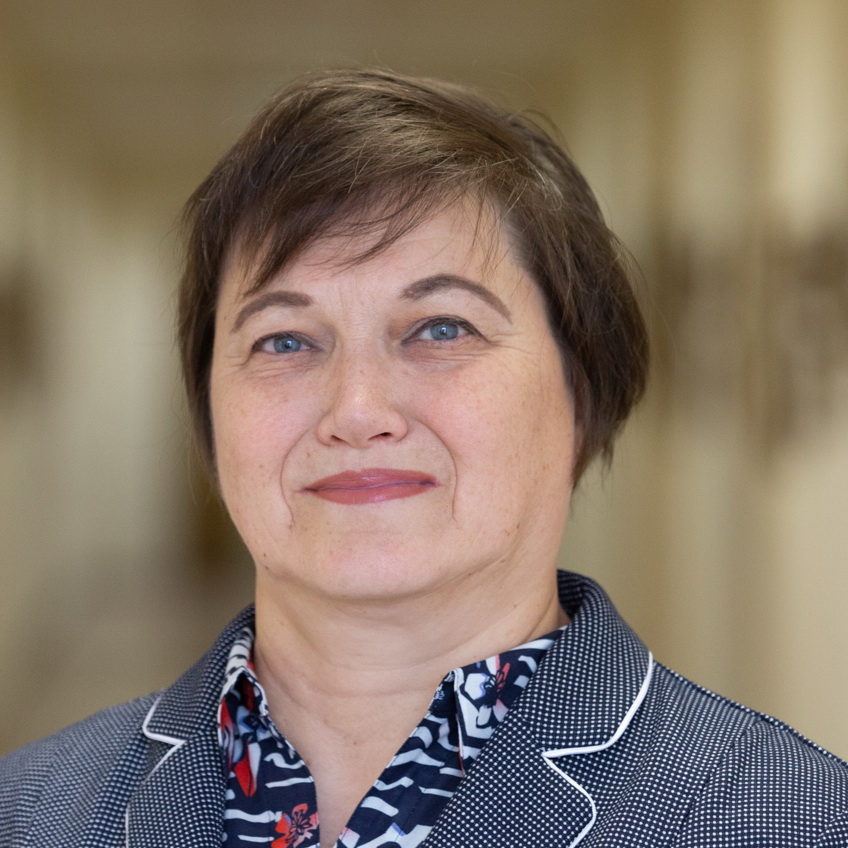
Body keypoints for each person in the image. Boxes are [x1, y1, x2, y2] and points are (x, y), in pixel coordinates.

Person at [1, 68, 847, 848]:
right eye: (285, 340)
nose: (356, 412)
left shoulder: (791, 819)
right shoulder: (30, 811)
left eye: (442, 328)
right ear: (211, 412)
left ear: (583, 388)